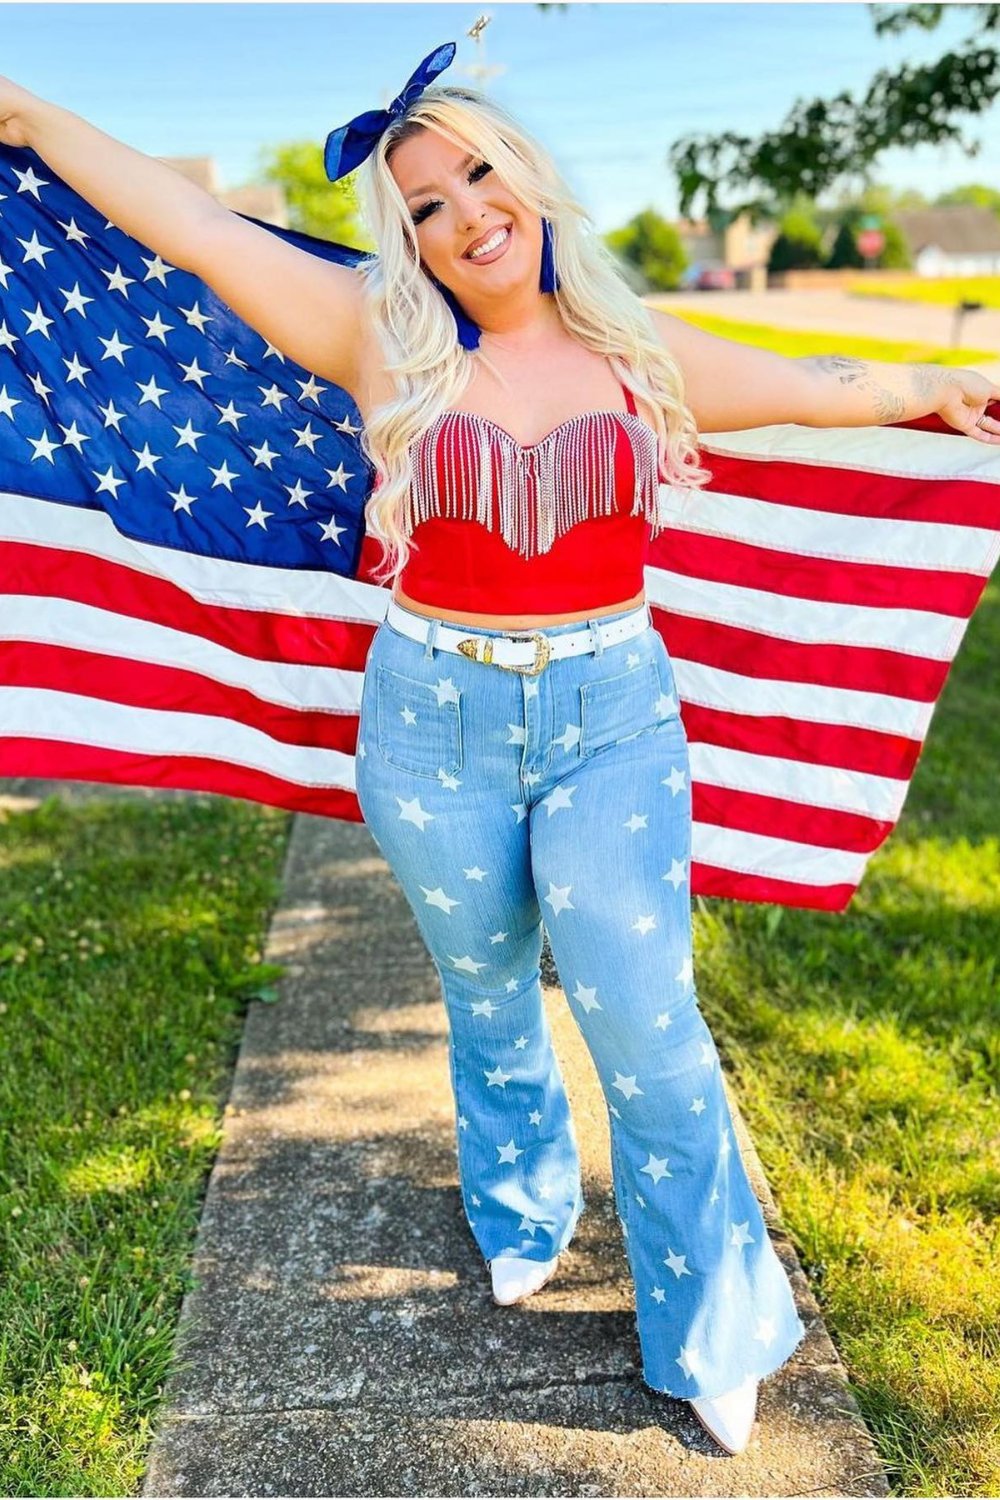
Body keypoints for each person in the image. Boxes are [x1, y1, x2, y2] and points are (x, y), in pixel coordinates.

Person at [2, 42, 997, 1460]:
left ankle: (714, 1323)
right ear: (404, 238)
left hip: (612, 724)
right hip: (431, 724)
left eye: (476, 172)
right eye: (422, 204)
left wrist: (934, 387)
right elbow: (197, 226)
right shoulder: (377, 338)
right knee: (483, 993)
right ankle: (522, 1206)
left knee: (646, 1022)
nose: (464, 212)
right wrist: (31, 114)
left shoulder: (637, 349)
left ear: (523, 173)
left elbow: (821, 384)